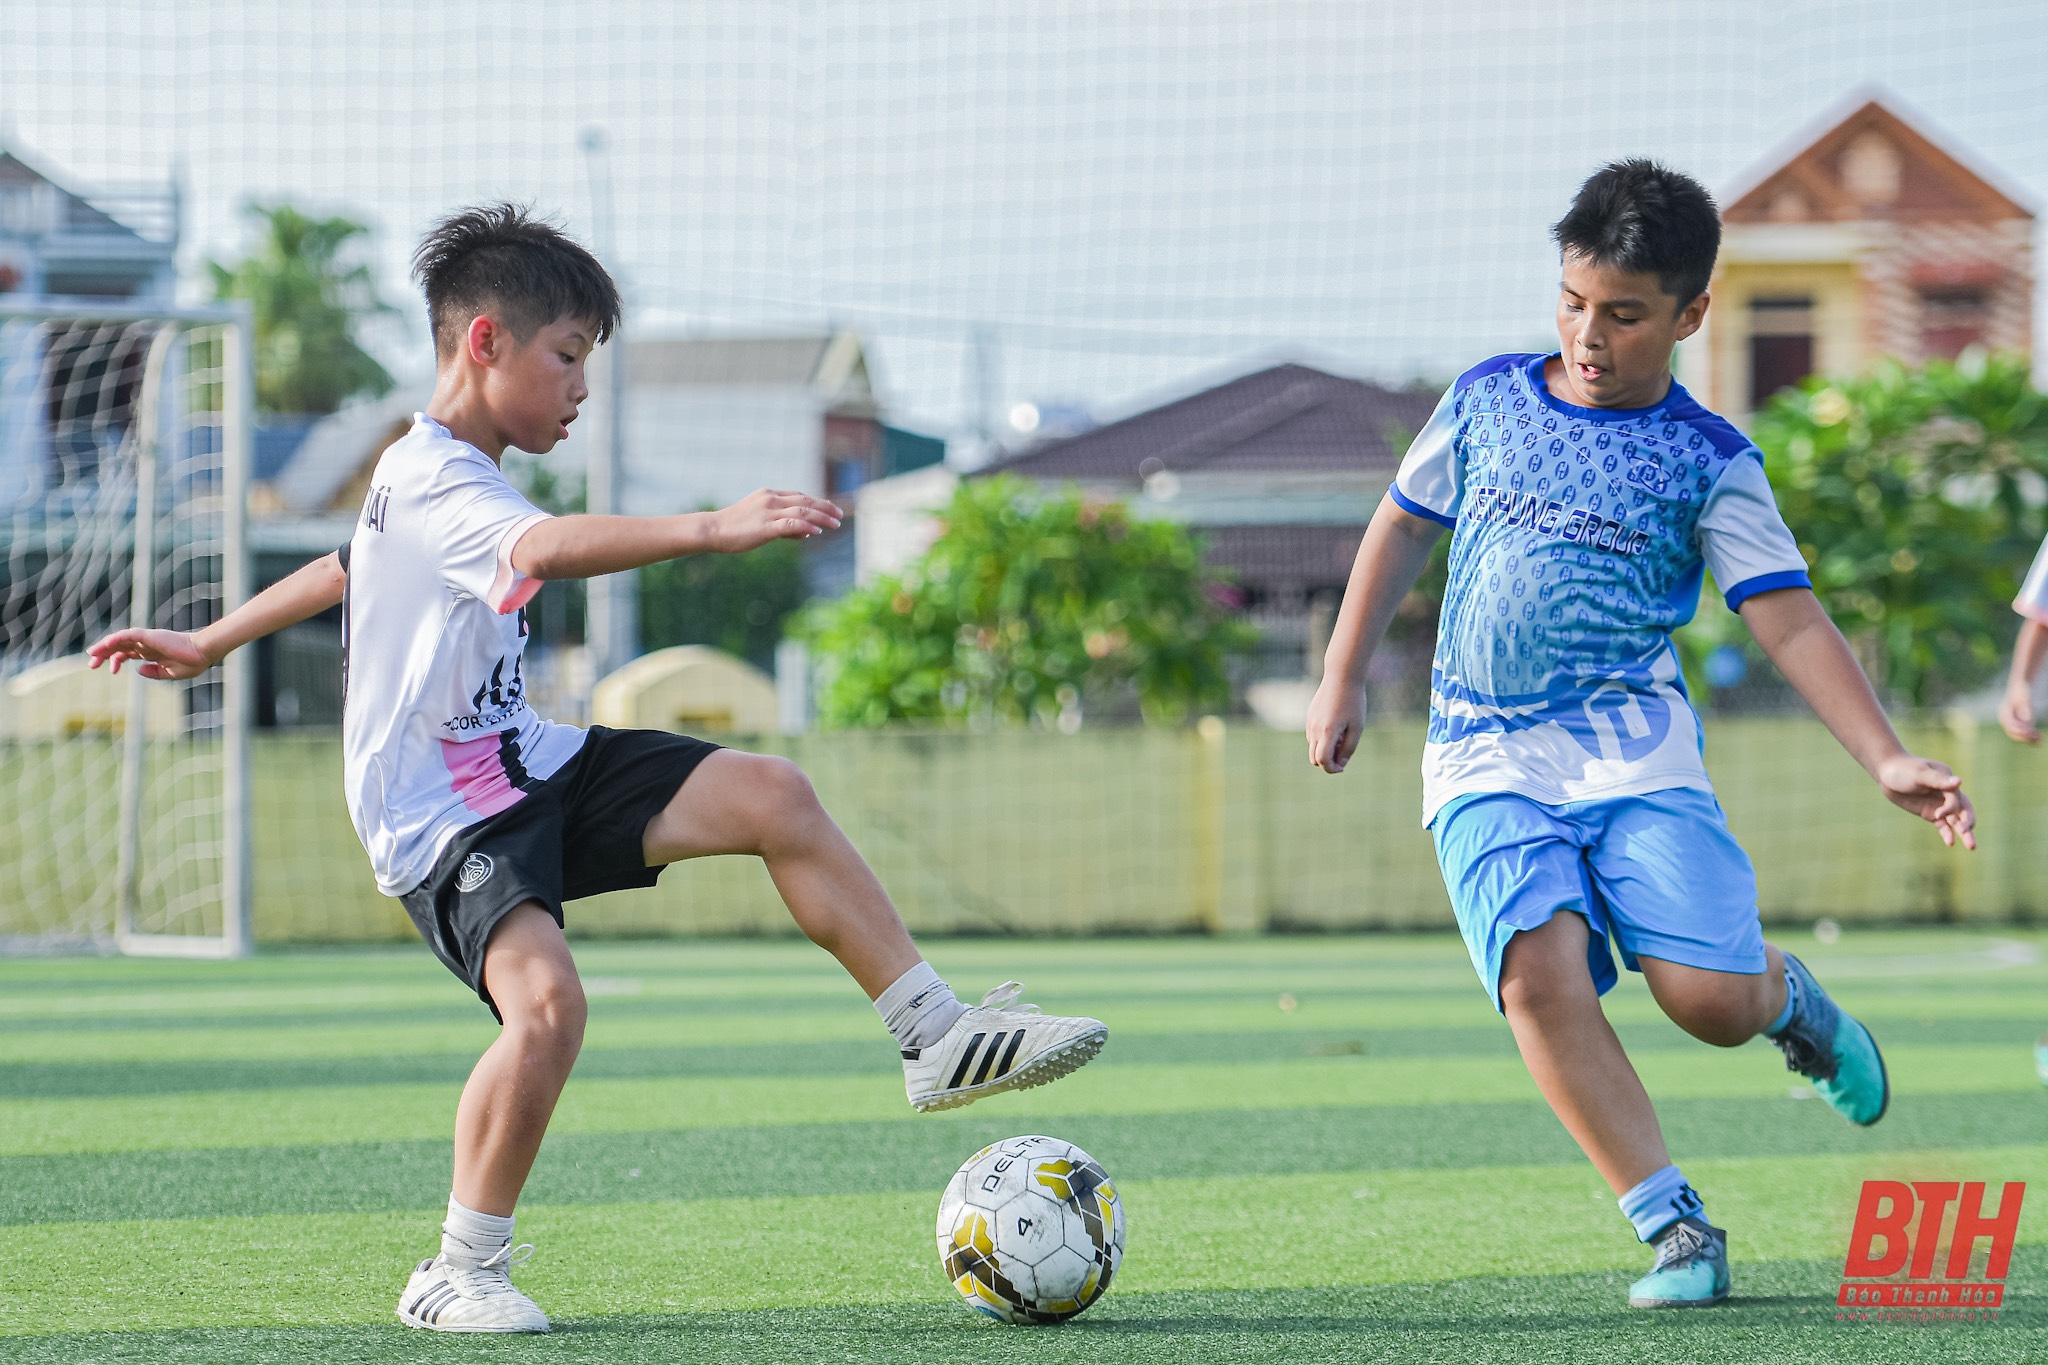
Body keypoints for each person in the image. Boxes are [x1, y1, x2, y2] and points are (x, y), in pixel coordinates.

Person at [89, 204, 1107, 1335]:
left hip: (526, 761)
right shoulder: (443, 481)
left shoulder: (421, 475)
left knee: (773, 793)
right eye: (566, 357)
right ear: (484, 342)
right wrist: (710, 528)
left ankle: (934, 1035)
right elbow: (540, 550)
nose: (580, 387)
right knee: (548, 1009)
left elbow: (348, 561)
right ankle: (455, 1270)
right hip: (441, 818)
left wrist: (212, 639)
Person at [1304, 161, 1976, 1309]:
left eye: (1621, 313)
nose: (1586, 334)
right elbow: (1398, 528)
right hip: (1480, 750)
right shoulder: (1484, 399)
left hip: (1630, 753)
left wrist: (1884, 754)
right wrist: (1340, 671)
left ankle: (1790, 1005)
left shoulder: (1709, 460)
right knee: (1535, 972)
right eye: (1571, 301)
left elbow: (1789, 617)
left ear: (1689, 314)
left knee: (1705, 1004)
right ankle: (1674, 1229)